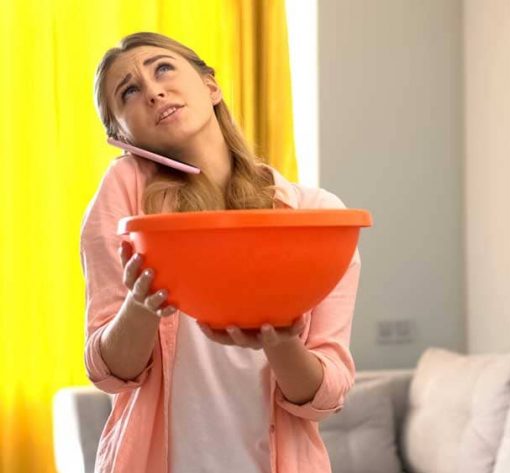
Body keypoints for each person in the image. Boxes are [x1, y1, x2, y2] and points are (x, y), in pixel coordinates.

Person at [81, 32, 360, 473]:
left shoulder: (318, 213)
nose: (153, 91)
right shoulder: (124, 195)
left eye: (163, 68)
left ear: (211, 85)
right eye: (128, 91)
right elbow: (109, 372)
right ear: (120, 135)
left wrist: (281, 343)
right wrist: (140, 306)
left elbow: (326, 395)